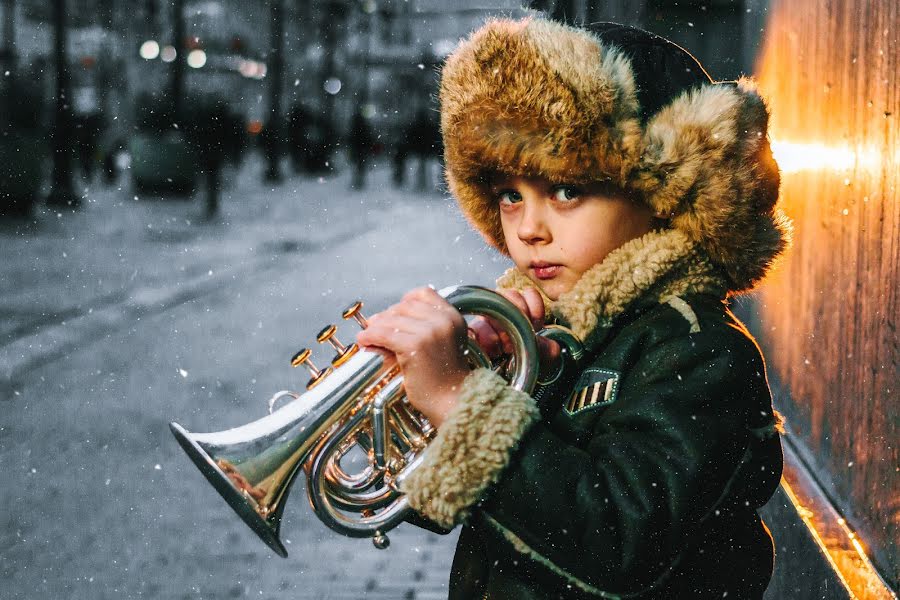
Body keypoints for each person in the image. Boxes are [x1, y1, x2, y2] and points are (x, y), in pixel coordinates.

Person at [356, 17, 790, 599]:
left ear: (663, 194)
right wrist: (417, 407)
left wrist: (461, 401)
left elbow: (616, 545)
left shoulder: (700, 351)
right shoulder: (546, 330)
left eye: (566, 190)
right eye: (511, 195)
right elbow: (450, 508)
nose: (530, 228)